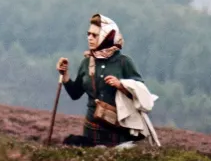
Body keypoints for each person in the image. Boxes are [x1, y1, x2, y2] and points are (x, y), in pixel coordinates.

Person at [56, 13, 146, 147]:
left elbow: (141, 93)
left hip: (118, 131)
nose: (89, 38)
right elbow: (75, 94)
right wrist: (65, 75)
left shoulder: (123, 62)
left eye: (94, 35)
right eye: (88, 34)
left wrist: (121, 85)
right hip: (91, 131)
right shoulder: (86, 63)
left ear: (107, 36)